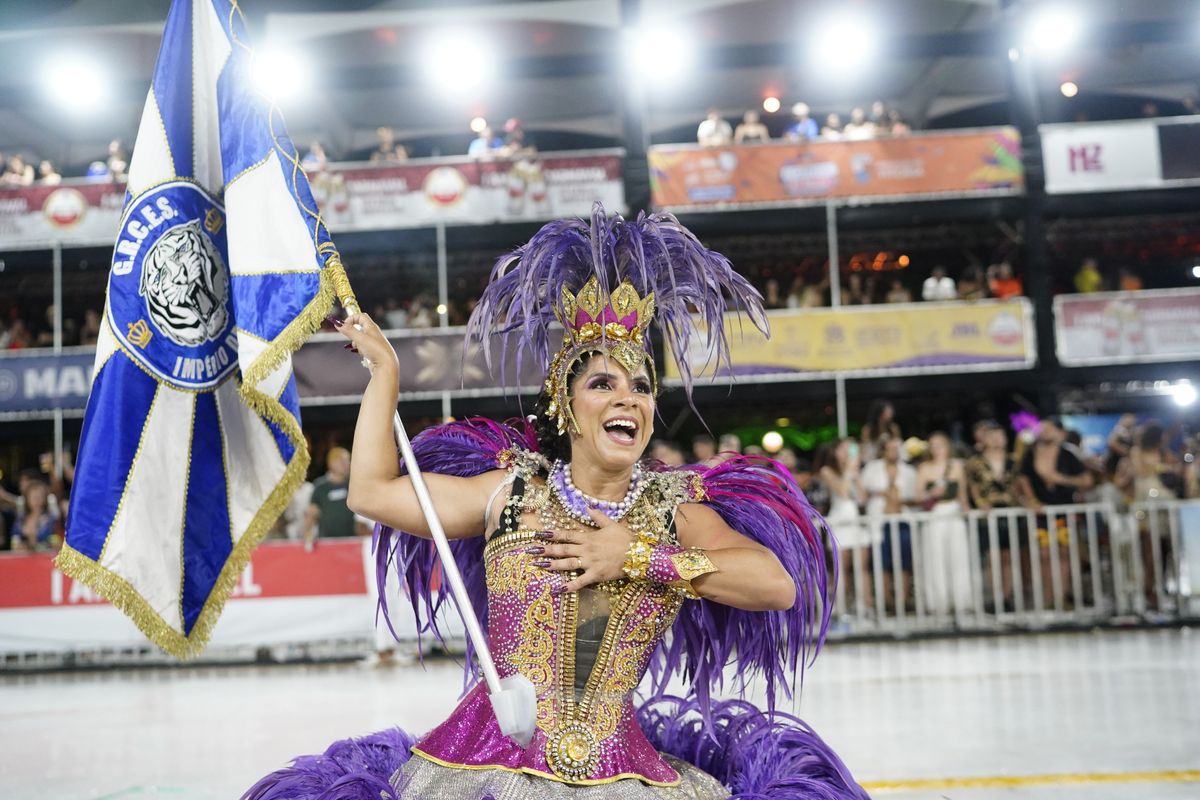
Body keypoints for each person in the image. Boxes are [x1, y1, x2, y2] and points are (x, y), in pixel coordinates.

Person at [245, 205, 866, 799]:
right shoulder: (509, 493)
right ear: (566, 405)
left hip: (626, 779)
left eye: (642, 388)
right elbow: (372, 492)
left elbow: (776, 585)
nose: (630, 400)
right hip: (478, 770)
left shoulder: (674, 511)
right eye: (603, 384)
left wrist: (641, 556)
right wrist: (386, 375)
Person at [965, 421, 1026, 613]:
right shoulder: (975, 462)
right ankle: (996, 597)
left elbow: (1018, 485)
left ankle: (1007, 597)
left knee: (1008, 557)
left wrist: (1025, 502)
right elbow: (973, 487)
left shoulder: (1013, 461)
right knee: (992, 557)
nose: (998, 440)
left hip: (1010, 510)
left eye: (1001, 436)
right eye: (994, 436)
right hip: (988, 514)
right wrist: (980, 503)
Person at [915, 432, 972, 619]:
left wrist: (966, 509)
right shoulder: (924, 468)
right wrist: (932, 494)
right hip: (935, 514)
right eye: (933, 445)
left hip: (953, 513)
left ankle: (961, 601)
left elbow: (962, 493)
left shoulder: (957, 466)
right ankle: (938, 602)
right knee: (935, 557)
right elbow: (918, 497)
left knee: (959, 556)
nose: (936, 449)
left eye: (940, 444)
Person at [861, 435, 917, 613]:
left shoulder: (909, 471)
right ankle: (885, 601)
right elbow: (862, 494)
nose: (894, 452)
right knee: (881, 563)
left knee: (904, 563)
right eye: (891, 448)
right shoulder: (872, 468)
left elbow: (916, 497)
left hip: (903, 519)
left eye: (897, 448)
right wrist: (880, 494)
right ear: (883, 450)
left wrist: (900, 499)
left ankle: (902, 601)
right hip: (879, 521)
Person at [817, 438, 871, 614]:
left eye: (850, 449)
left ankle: (865, 606)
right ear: (835, 452)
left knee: (862, 566)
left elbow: (862, 498)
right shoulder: (827, 471)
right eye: (843, 449)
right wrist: (849, 470)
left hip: (856, 519)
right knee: (842, 567)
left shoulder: (854, 471)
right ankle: (839, 608)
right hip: (840, 519)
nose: (847, 453)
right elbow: (842, 492)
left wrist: (856, 476)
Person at [303, 447, 355, 545]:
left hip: (351, 540)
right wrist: (308, 535)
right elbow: (312, 514)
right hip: (327, 542)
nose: (347, 465)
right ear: (332, 464)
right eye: (342, 462)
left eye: (348, 461)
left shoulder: (352, 484)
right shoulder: (321, 486)